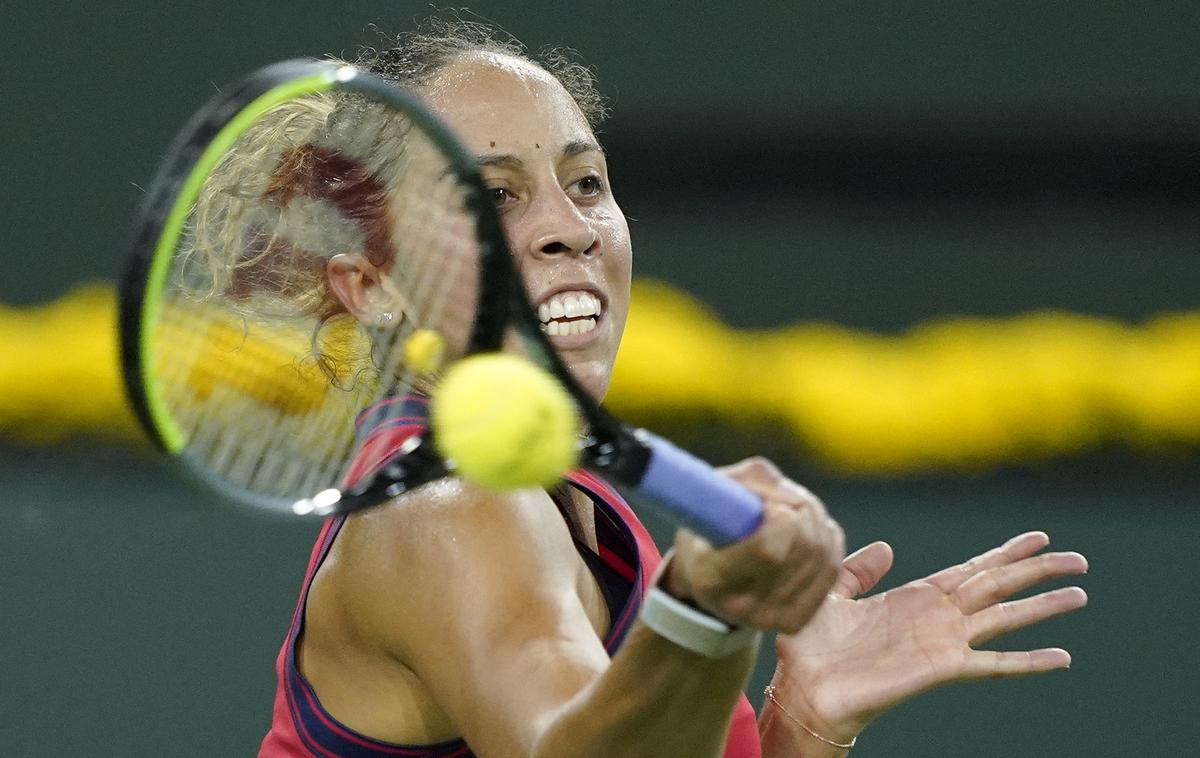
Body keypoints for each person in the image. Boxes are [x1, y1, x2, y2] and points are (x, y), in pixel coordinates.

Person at [257, 19, 1088, 757]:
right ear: (371, 285)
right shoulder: (452, 505)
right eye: (495, 195)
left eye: (586, 183)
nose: (570, 229)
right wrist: (699, 614)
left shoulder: (559, 496)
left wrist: (803, 723)